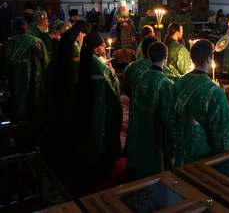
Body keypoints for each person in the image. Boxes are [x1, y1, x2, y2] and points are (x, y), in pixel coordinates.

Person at [171, 40, 229, 167]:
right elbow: (223, 136)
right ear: (208, 60)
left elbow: (170, 117)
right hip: (204, 159)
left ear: (191, 59)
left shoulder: (178, 83)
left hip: (179, 153)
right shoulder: (215, 92)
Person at [126, 42, 175, 179]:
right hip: (156, 133)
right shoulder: (164, 82)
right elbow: (167, 117)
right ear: (165, 56)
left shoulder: (141, 77)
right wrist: (174, 137)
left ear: (148, 56)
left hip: (141, 129)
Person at [76, 30, 122, 167]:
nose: (105, 47)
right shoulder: (98, 66)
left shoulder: (88, 60)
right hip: (99, 107)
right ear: (95, 50)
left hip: (88, 105)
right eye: (103, 45)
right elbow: (113, 84)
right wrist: (112, 72)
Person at [0, 18, 50, 143]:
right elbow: (46, 62)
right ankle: (36, 142)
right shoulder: (38, 41)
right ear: (27, 28)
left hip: (17, 85)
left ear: (15, 30)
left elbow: (3, 68)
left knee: (19, 109)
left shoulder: (8, 44)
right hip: (36, 83)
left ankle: (19, 138)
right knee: (35, 108)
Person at [53, 20, 92, 148]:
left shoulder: (69, 41)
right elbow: (76, 69)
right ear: (80, 34)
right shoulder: (74, 46)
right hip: (71, 86)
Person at [29, 10, 54, 111]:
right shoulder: (44, 36)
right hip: (40, 69)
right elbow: (48, 57)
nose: (48, 24)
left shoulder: (29, 31)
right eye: (47, 22)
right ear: (43, 23)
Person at [110, 0, 137, 69]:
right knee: (119, 53)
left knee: (128, 53)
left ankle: (129, 66)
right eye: (121, 7)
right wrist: (121, 24)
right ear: (119, 8)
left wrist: (131, 24)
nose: (123, 9)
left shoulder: (128, 16)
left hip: (129, 40)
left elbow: (132, 25)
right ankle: (118, 66)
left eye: (124, 7)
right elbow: (114, 26)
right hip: (119, 39)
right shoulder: (116, 16)